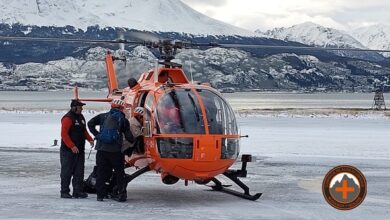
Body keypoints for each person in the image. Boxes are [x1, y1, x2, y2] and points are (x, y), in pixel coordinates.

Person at [87, 99, 134, 202]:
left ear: (112, 107)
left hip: (101, 150)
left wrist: (97, 135)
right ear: (122, 108)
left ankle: (100, 195)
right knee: (119, 173)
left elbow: (90, 123)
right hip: (116, 152)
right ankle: (121, 194)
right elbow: (129, 137)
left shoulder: (103, 116)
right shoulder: (123, 120)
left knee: (101, 172)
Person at [60, 99, 94, 199]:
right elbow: (64, 134)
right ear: (74, 107)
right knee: (67, 171)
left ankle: (77, 191)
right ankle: (64, 191)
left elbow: (84, 131)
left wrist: (90, 139)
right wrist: (71, 146)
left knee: (79, 171)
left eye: (81, 107)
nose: (81, 109)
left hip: (80, 149)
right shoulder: (67, 118)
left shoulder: (81, 117)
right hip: (68, 151)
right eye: (80, 107)